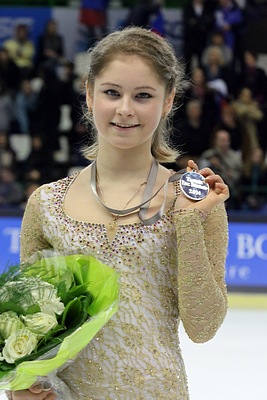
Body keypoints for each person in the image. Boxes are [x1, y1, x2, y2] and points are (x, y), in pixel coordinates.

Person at [12, 27, 229, 400]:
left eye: (143, 95)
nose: (125, 109)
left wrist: (189, 222)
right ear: (90, 92)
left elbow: (203, 327)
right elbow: (28, 327)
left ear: (167, 101)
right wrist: (20, 389)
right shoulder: (46, 204)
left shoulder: (194, 201)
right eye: (112, 92)